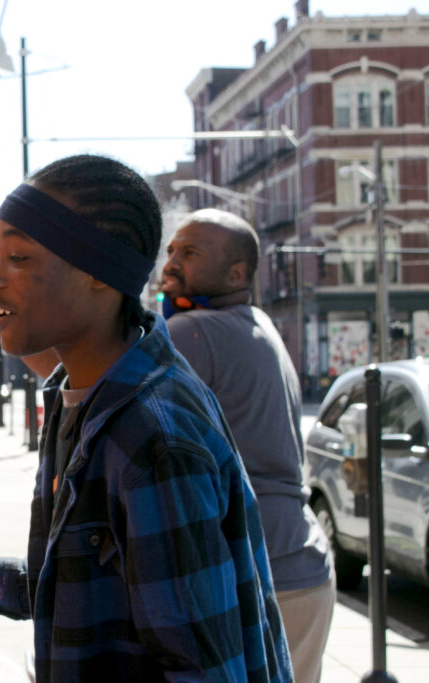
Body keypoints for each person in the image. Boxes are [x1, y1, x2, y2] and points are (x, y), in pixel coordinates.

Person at [0, 155, 292, 681]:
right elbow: (61, 585)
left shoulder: (153, 442)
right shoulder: (87, 398)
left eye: (17, 256)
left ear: (97, 274)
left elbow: (204, 671)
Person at [162, 208, 334, 683]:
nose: (172, 261)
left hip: (262, 577)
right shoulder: (255, 322)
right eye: (172, 249)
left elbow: (91, 387)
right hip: (304, 571)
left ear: (237, 272)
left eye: (190, 253)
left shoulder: (193, 332)